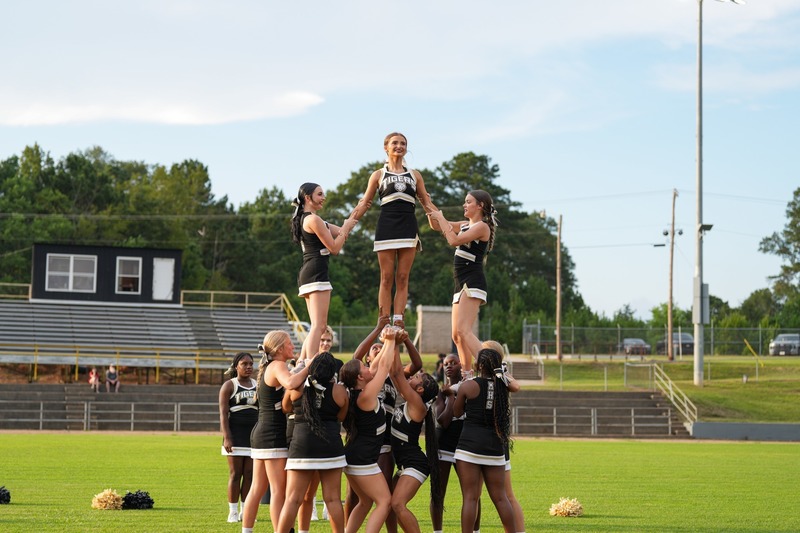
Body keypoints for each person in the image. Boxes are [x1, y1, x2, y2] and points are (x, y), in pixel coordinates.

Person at [350, 132, 438, 328]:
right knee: (386, 276)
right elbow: (365, 203)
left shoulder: (415, 175)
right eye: (395, 143)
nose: (399, 146)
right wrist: (348, 224)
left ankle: (398, 319)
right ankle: (384, 320)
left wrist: (443, 223)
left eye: (403, 143)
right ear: (386, 148)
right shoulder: (378, 175)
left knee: (403, 276)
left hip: (408, 226)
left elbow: (426, 202)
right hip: (387, 227)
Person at [241, 330, 309, 533]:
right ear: (279, 349)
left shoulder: (274, 365)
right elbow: (291, 382)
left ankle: (246, 530)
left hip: (262, 432)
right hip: (272, 434)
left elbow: (293, 373)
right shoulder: (278, 365)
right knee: (278, 491)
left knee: (258, 488)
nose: (293, 347)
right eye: (289, 343)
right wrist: (310, 366)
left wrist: (303, 363)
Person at [276, 352, 349, 533]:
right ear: (333, 370)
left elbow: (285, 408)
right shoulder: (340, 391)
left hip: (302, 445)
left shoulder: (298, 386)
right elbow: (341, 416)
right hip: (330, 445)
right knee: (332, 499)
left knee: (293, 499)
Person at [428, 190, 498, 373]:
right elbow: (437, 225)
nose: (464, 205)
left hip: (472, 281)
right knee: (457, 336)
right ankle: (467, 375)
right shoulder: (465, 224)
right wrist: (427, 202)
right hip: (460, 283)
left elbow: (453, 240)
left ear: (480, 205)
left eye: (468, 202)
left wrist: (441, 217)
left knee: (464, 330)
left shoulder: (482, 227)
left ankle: (493, 369)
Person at [453, 348, 518, 533]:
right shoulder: (503, 386)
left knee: (470, 498)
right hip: (494, 446)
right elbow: (515, 386)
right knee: (500, 497)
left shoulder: (469, 385)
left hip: (469, 447)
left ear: (478, 365)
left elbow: (457, 413)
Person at [291, 182, 357, 362]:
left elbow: (342, 232)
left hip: (308, 273)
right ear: (307, 198)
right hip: (316, 272)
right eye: (320, 194)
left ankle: (301, 362)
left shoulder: (313, 219)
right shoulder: (313, 220)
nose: (323, 197)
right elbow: (335, 247)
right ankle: (311, 364)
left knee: (316, 326)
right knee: (319, 326)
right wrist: (345, 230)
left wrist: (350, 221)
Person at [340, 326, 396, 533]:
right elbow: (384, 367)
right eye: (362, 367)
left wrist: (388, 342)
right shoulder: (365, 396)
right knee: (385, 502)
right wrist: (390, 340)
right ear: (359, 378)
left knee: (364, 502)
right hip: (362, 458)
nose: (367, 367)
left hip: (356, 456)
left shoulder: (360, 389)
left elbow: (377, 366)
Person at [389, 363, 441, 533]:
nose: (412, 376)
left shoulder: (417, 406)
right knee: (390, 503)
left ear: (419, 390)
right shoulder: (410, 401)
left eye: (416, 377)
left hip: (415, 464)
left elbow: (397, 374)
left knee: (397, 503)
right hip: (405, 464)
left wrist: (395, 342)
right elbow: (396, 374)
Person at [431, 353, 480, 533]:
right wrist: (451, 396)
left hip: (466, 444)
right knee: (438, 492)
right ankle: (438, 531)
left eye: (453, 362)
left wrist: (455, 393)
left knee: (472, 494)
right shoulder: (440, 391)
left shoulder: (472, 387)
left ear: (462, 365)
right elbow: (443, 421)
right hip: (444, 445)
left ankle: (475, 530)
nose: (449, 366)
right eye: (446, 363)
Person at [482, 340, 525, 532]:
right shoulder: (481, 375)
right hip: (480, 440)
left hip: (496, 440)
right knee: (475, 496)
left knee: (506, 495)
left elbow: (516, 386)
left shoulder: (501, 374)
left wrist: (502, 373)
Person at [219, 352, 258, 523]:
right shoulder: (229, 385)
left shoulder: (257, 385)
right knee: (236, 474)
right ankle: (233, 512)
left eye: (251, 363)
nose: (249, 367)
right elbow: (223, 414)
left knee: (249, 475)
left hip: (253, 436)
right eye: (244, 364)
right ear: (236, 366)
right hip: (235, 435)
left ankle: (245, 511)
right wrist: (227, 437)